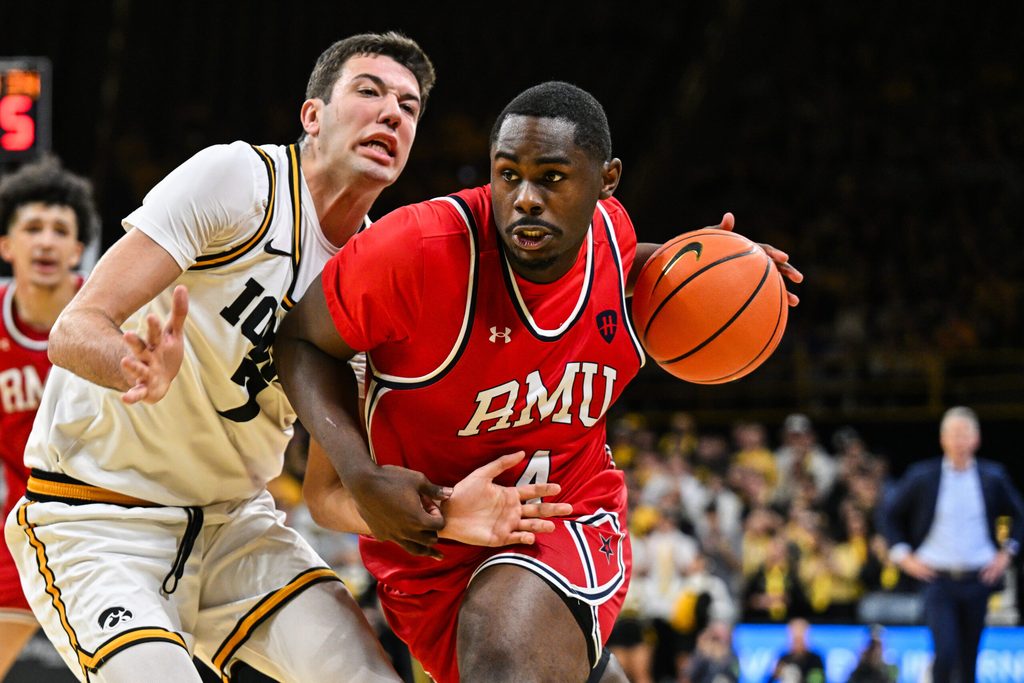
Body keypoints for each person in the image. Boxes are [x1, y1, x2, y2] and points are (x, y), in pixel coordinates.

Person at [4, 33, 564, 683]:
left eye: (409, 107)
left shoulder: (380, 276)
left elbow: (327, 496)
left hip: (235, 530)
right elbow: (74, 329)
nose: (392, 114)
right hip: (99, 518)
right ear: (313, 115)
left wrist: (442, 512)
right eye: (370, 92)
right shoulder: (238, 181)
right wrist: (127, 361)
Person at [274, 80, 802, 682]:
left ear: (607, 182)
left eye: (551, 178)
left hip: (563, 516)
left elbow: (631, 271)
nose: (524, 198)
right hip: (430, 554)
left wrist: (725, 275)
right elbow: (300, 339)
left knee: (507, 645)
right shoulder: (417, 249)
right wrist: (361, 473)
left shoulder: (613, 240)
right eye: (507, 175)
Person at [0, 156, 94, 678]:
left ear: (78, 251)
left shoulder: (108, 316)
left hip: (111, 517)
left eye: (61, 230)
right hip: (25, 524)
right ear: (6, 246)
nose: (46, 241)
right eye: (32, 227)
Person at [879, 406, 1024, 683]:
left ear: (976, 439)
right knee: (945, 653)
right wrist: (903, 555)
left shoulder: (992, 477)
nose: (959, 442)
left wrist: (1007, 555)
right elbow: (888, 514)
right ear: (942, 439)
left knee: (969, 660)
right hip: (937, 579)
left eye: (965, 434)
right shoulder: (923, 476)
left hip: (977, 578)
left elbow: (1020, 515)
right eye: (954, 435)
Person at [768, 618, 825, 683]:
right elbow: (770, 680)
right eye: (795, 639)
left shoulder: (815, 659)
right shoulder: (784, 658)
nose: (797, 643)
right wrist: (776, 674)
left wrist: (797, 678)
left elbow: (819, 681)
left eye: (800, 639)